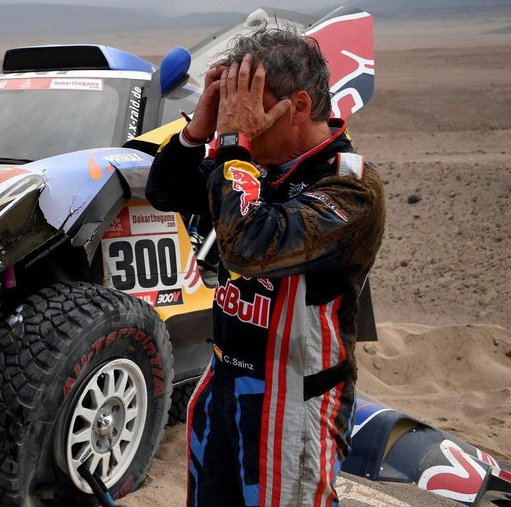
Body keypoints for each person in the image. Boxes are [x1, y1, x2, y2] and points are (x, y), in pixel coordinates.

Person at [145, 28, 385, 506]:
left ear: (298, 105)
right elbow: (165, 193)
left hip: (295, 399)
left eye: (249, 102)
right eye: (232, 102)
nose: (238, 117)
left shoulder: (349, 188)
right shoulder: (255, 166)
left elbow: (250, 246)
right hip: (225, 382)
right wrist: (198, 131)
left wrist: (235, 144)